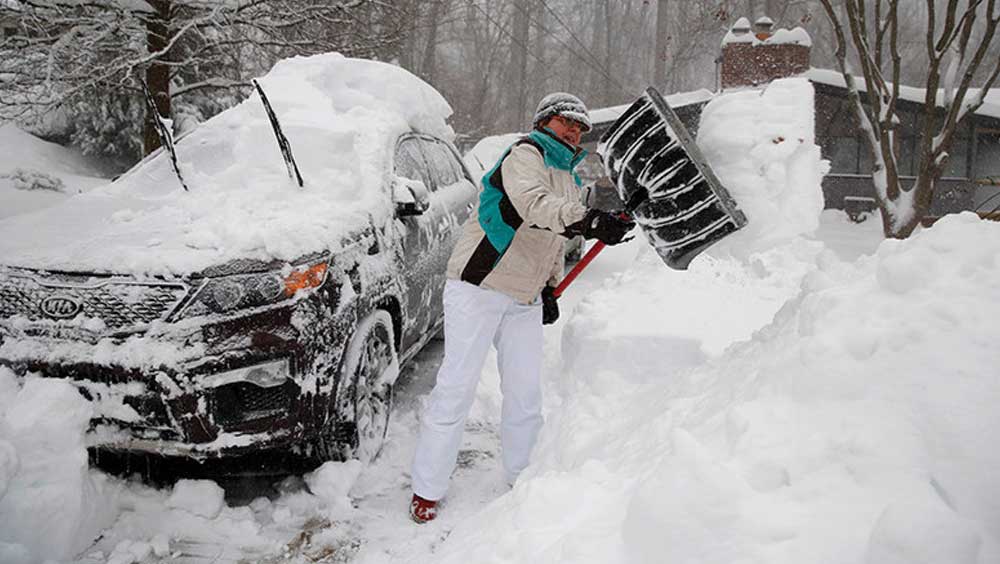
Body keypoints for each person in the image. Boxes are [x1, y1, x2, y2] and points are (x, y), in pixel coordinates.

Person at [409, 93, 634, 523]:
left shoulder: (568, 176)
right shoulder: (524, 154)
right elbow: (534, 205)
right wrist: (588, 219)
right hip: (480, 284)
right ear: (544, 121)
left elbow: (551, 240)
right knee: (457, 387)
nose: (574, 130)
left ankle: (521, 475)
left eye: (580, 127)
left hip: (524, 297)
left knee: (526, 391)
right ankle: (427, 487)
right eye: (566, 121)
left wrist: (549, 287)